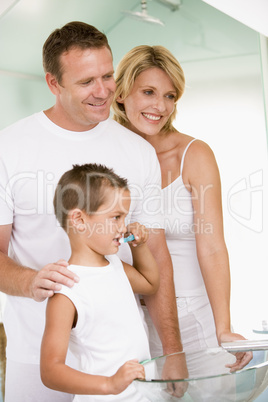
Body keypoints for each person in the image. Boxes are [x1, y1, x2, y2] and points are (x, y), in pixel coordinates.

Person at [0, 23, 183, 402]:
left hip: (121, 362)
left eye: (108, 76)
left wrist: (173, 352)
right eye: (86, 82)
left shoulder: (137, 151)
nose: (103, 92)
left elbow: (157, 259)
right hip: (35, 356)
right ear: (53, 83)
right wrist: (31, 282)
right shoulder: (10, 147)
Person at [113, 45, 252, 371]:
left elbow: (213, 246)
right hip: (129, 315)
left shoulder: (195, 154)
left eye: (170, 95)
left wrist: (223, 328)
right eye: (148, 92)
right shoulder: (108, 153)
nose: (160, 106)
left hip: (192, 316)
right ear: (121, 93)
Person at [40, 163, 159, 401]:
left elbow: (150, 284)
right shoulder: (67, 290)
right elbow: (50, 371)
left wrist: (140, 245)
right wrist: (110, 384)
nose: (123, 227)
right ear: (79, 220)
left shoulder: (114, 266)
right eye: (116, 217)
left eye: (125, 217)